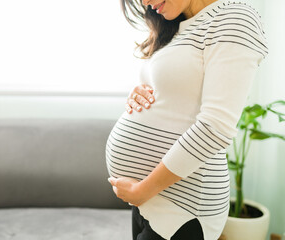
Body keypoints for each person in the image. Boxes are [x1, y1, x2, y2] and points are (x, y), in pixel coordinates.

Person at [105, 0, 268, 239]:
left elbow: (215, 127)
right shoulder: (179, 24)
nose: (145, 2)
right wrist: (139, 92)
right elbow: (176, 94)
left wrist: (143, 189)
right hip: (149, 200)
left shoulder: (234, 18)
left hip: (182, 206)